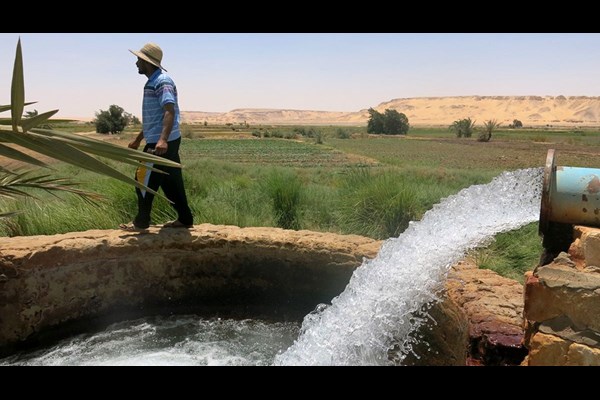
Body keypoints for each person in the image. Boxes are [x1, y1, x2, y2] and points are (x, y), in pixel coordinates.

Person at [119, 42, 194, 232]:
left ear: (147, 62)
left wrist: (162, 140)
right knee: (171, 182)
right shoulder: (152, 81)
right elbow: (155, 118)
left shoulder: (162, 81)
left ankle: (141, 222)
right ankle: (185, 219)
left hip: (162, 142)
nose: (136, 63)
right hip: (164, 140)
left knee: (142, 180)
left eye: (138, 60)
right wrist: (138, 139)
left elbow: (169, 110)